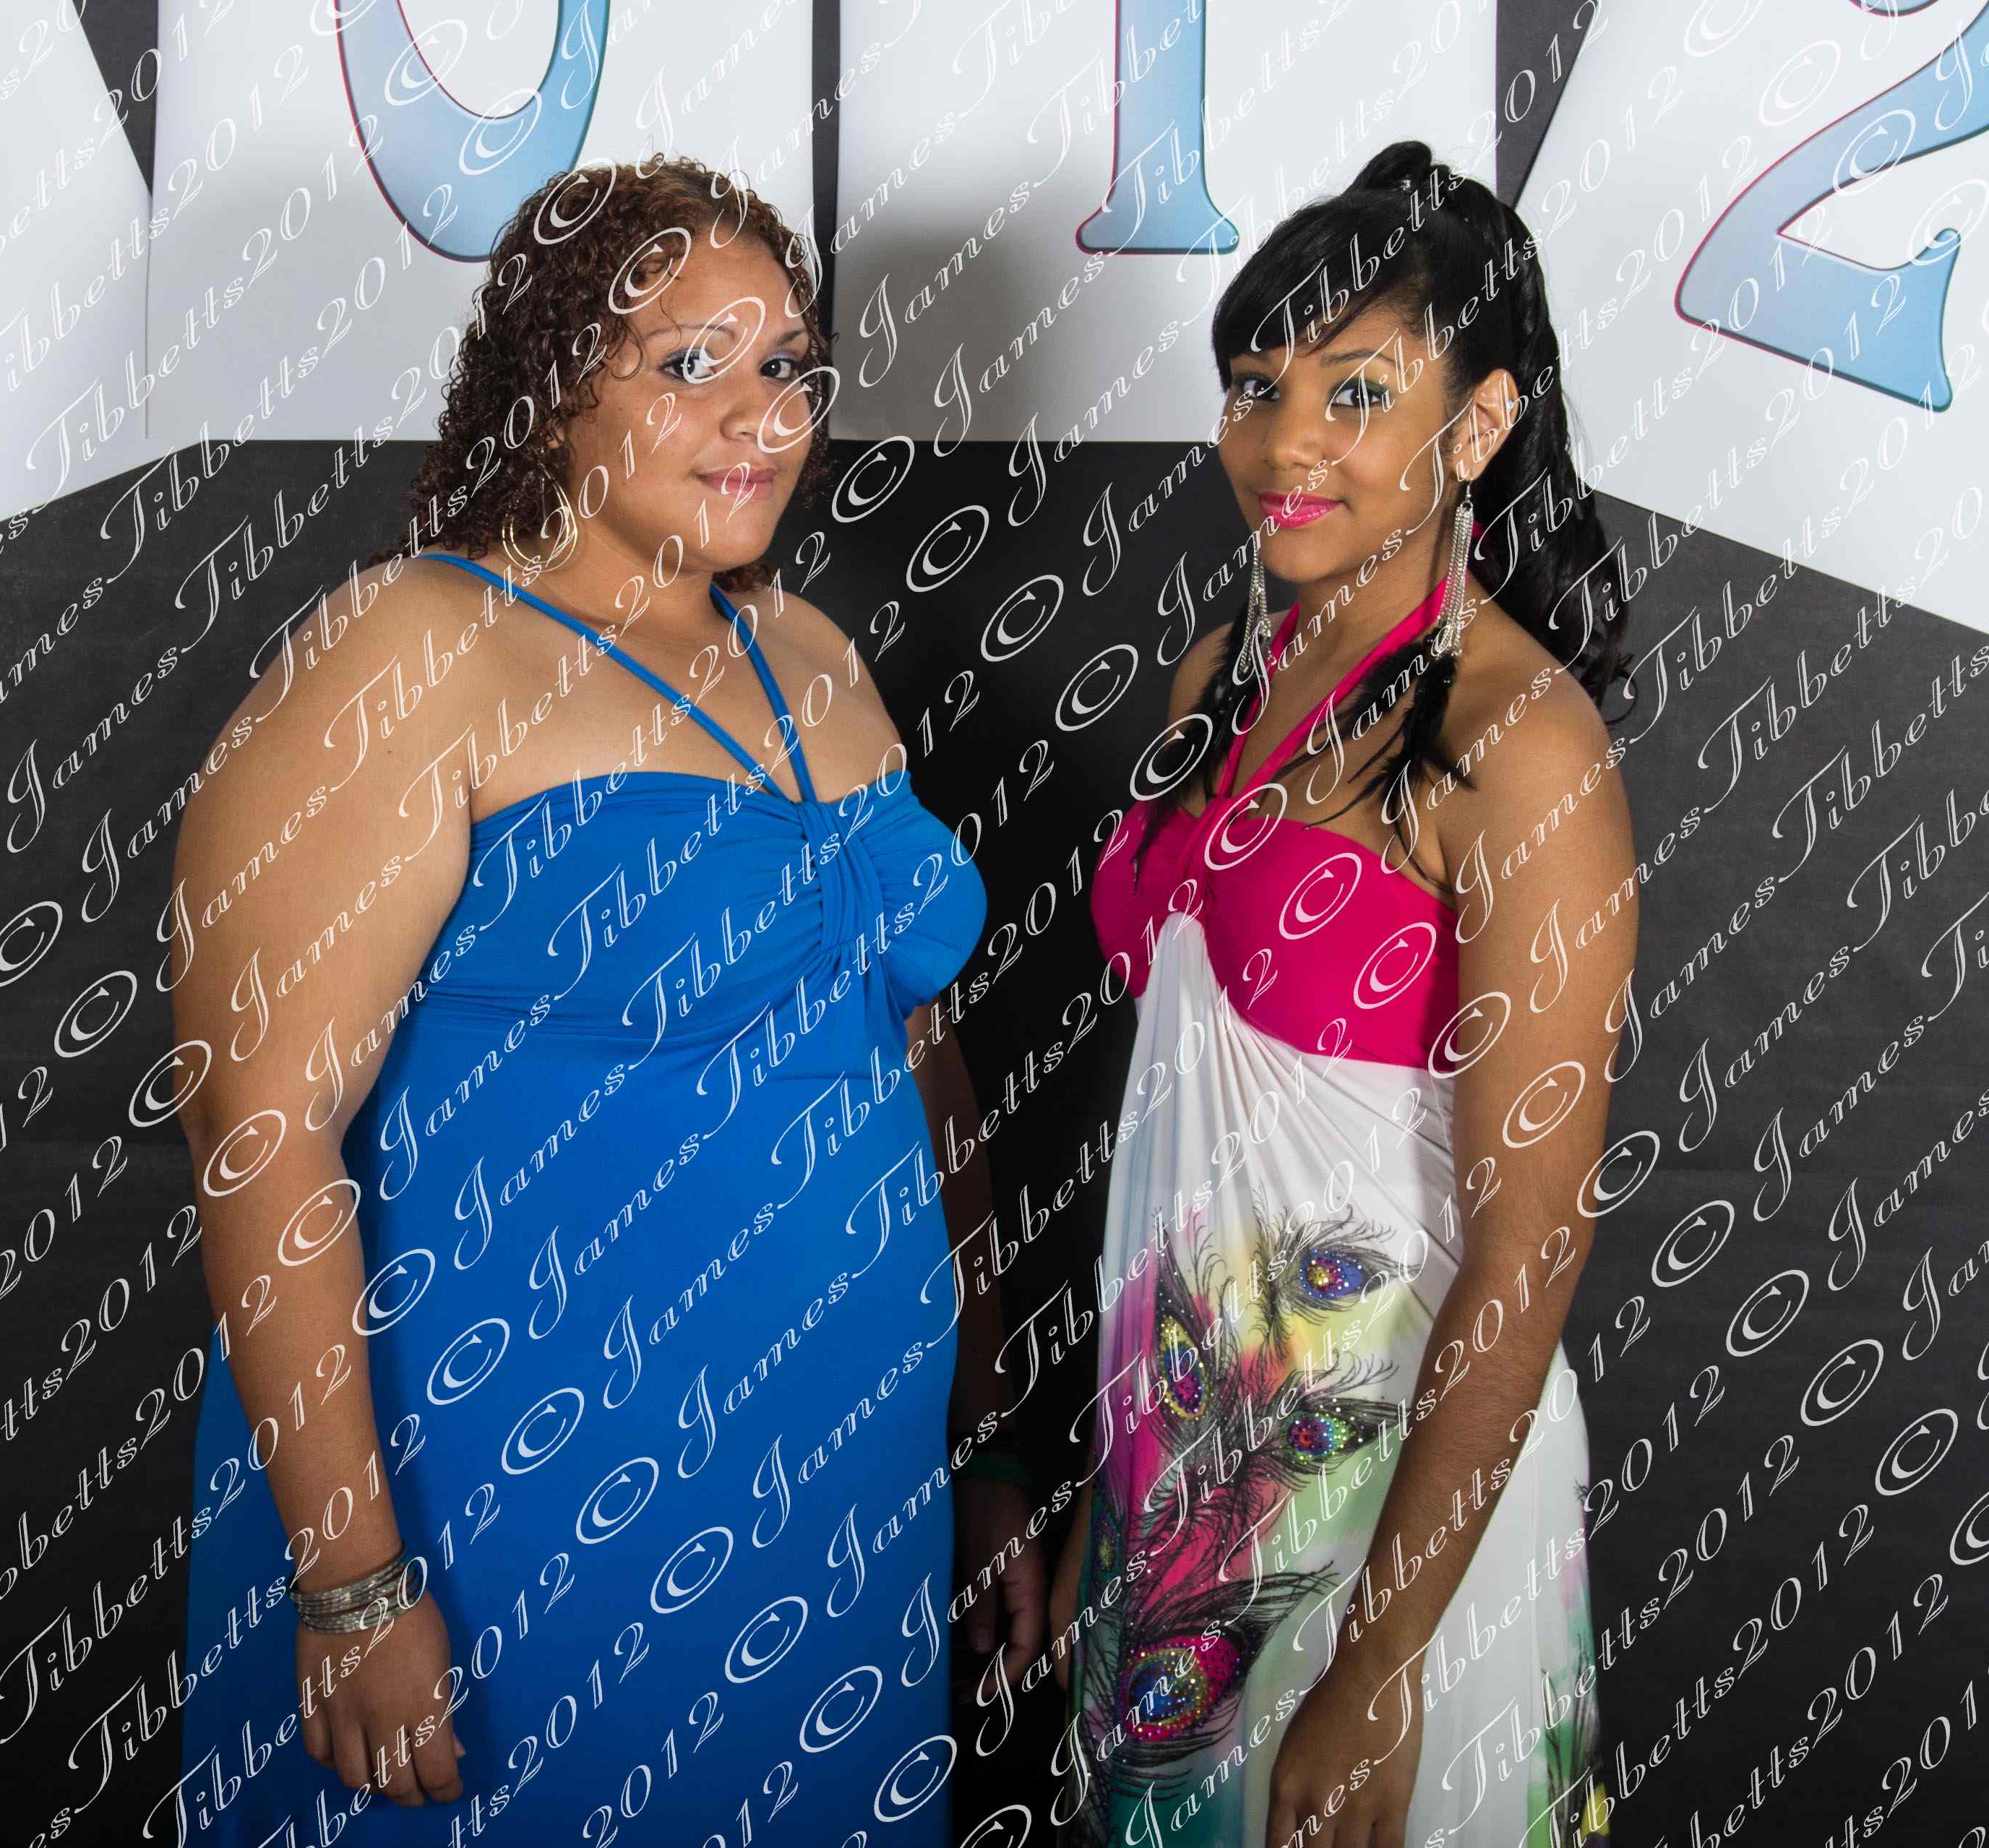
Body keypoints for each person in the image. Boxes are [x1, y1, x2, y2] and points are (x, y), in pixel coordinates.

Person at [165, 155, 1043, 1848]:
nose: (759, 417)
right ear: (556, 388)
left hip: (837, 1516)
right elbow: (254, 1123)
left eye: (785, 367)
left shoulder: (812, 654)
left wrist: (985, 1435)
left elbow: (918, 1060)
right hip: (517, 1513)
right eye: (687, 365)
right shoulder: (413, 650)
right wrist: (351, 1577)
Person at [1054, 142, 1641, 1848]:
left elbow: (1529, 1244)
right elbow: (1181, 1139)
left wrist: (1383, 1660)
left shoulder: (1524, 750)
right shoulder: (1215, 678)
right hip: (1180, 1453)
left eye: (1356, 393)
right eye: (1256, 386)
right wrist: (1117, 1473)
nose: (1283, 441)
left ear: (1479, 424)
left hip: (1387, 1495)